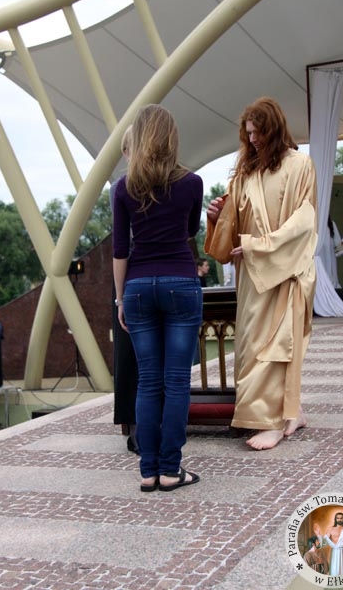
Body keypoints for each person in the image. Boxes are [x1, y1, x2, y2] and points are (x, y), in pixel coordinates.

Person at [205, 97, 317, 450]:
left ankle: (272, 422)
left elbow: (304, 221)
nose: (253, 139)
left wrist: (260, 246)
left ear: (274, 129)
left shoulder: (300, 165)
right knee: (252, 347)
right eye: (248, 133)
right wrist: (216, 217)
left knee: (278, 347)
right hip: (252, 277)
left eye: (258, 132)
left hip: (286, 272)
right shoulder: (245, 173)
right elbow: (233, 225)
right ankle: (292, 412)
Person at [112, 104, 203, 492]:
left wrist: (120, 300)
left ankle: (148, 471)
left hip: (137, 285)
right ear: (171, 138)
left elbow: (120, 250)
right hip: (180, 281)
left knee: (148, 381)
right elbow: (190, 230)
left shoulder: (123, 187)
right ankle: (171, 470)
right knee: (177, 381)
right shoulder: (192, 183)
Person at [110, 126, 139, 454]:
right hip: (136, 274)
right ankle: (136, 426)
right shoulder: (122, 187)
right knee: (134, 358)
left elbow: (121, 244)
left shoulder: (122, 187)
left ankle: (135, 427)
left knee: (132, 357)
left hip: (129, 278)